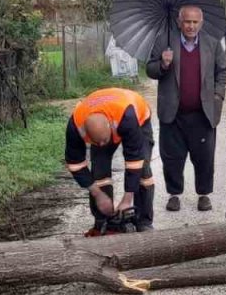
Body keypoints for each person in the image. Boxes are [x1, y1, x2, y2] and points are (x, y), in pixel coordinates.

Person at [145, 6, 226, 213]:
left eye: (195, 22)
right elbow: (150, 70)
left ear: (201, 23)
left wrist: (218, 96)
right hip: (173, 115)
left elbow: (221, 73)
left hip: (203, 114)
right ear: (179, 22)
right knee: (172, 157)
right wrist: (163, 64)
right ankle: (174, 195)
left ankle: (204, 195)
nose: (191, 26)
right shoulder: (165, 41)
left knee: (204, 157)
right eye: (187, 22)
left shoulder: (212, 44)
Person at [65, 87, 157, 236]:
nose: (102, 145)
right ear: (87, 133)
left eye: (104, 140)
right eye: (97, 142)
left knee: (143, 169)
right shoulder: (75, 125)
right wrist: (98, 195)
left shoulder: (127, 116)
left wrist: (127, 200)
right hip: (104, 120)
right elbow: (75, 164)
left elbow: (134, 160)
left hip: (139, 119)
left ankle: (144, 221)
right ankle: (102, 221)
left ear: (110, 126)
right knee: (99, 169)